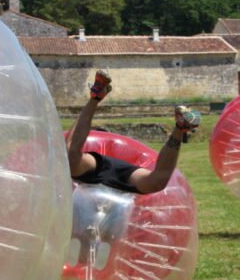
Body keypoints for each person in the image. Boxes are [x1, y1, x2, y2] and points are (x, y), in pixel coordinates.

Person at [66, 70, 200, 196]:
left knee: (157, 182)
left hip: (109, 171)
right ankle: (96, 95)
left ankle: (180, 127)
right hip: (91, 170)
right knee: (69, 158)